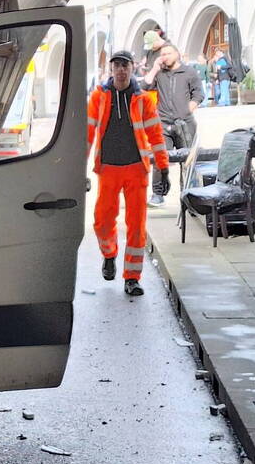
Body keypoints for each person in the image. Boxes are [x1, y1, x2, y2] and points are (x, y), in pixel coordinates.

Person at [87, 51, 170, 297]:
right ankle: (109, 255)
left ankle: (132, 278)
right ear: (111, 69)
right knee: (102, 221)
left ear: (132, 68)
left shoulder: (143, 99)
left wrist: (163, 167)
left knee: (136, 226)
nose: (121, 70)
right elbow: (87, 135)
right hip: (109, 169)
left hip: (136, 169)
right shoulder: (98, 97)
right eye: (117, 66)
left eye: (125, 65)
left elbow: (156, 134)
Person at [140, 43, 205, 207]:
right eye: (162, 54)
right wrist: (154, 68)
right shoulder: (160, 73)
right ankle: (158, 194)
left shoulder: (189, 72)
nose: (165, 56)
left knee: (189, 160)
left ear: (177, 54)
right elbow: (144, 87)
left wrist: (189, 108)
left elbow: (199, 93)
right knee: (160, 158)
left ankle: (191, 195)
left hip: (185, 124)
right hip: (163, 123)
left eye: (168, 53)